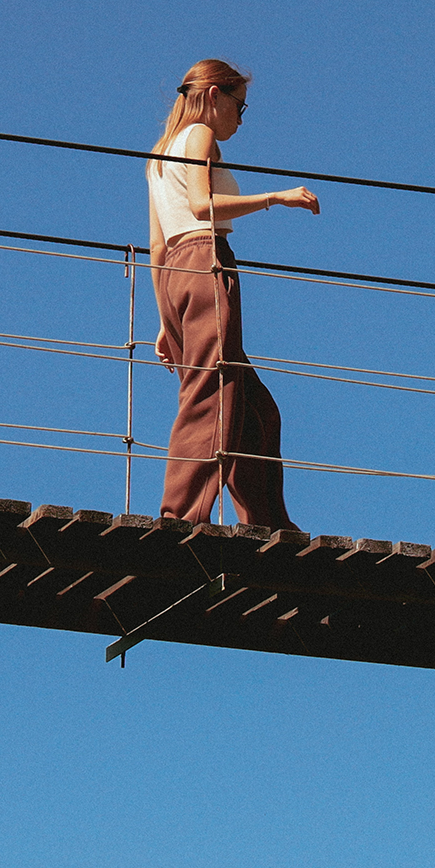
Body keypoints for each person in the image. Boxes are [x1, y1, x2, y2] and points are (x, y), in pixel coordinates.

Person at [148, 60, 319, 527]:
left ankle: (267, 522)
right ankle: (180, 515)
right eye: (240, 105)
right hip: (206, 261)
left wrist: (166, 320)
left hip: (175, 276)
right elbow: (201, 206)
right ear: (215, 96)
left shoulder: (159, 154)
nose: (242, 117)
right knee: (213, 393)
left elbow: (158, 244)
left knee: (255, 409)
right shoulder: (201, 134)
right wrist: (275, 198)